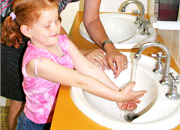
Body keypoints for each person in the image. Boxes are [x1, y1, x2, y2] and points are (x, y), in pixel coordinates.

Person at [1, 0, 146, 129]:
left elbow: (89, 68)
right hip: (35, 125)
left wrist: (118, 92)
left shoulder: (62, 41)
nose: (56, 28)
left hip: (58, 113)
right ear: (27, 30)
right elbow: (81, 80)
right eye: (47, 25)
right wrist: (117, 96)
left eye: (57, 20)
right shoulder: (36, 62)